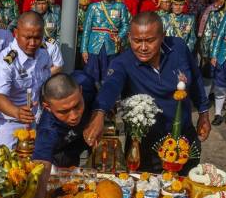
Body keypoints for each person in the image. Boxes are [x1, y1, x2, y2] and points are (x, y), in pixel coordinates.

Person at [85, 12, 211, 173]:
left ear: (162, 36)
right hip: (146, 148)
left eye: (150, 41)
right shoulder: (122, 63)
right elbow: (110, 86)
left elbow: (196, 79)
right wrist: (99, 113)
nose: (143, 47)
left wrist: (204, 113)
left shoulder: (178, 47)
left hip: (185, 141)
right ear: (129, 37)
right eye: (137, 41)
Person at [28, 71, 99, 198]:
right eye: (64, 111)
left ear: (80, 91)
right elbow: (41, 169)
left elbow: (104, 93)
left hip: (88, 133)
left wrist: (98, 116)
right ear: (47, 107)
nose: (73, 116)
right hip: (63, 147)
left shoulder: (85, 81)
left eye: (77, 106)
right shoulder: (47, 128)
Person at [0, 11, 52, 149]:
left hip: (35, 122)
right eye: (27, 37)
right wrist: (17, 112)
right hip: (8, 125)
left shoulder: (44, 55)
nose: (32, 43)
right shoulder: (6, 61)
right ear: (16, 34)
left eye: (37, 38)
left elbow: (47, 84)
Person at [81, 0, 131, 84]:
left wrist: (119, 36)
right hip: (94, 46)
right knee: (91, 77)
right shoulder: (93, 7)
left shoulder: (121, 6)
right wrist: (84, 49)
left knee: (110, 76)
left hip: (112, 45)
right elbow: (86, 29)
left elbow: (126, 25)